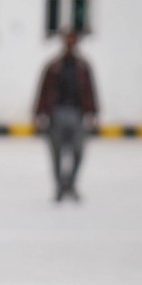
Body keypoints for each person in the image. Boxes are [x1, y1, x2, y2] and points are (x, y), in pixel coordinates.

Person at [33, 28, 99, 202]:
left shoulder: (83, 67)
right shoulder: (53, 67)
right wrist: (40, 113)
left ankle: (70, 183)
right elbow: (43, 90)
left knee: (78, 151)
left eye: (72, 40)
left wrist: (92, 112)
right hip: (57, 113)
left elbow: (90, 91)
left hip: (77, 114)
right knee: (56, 154)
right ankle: (60, 187)